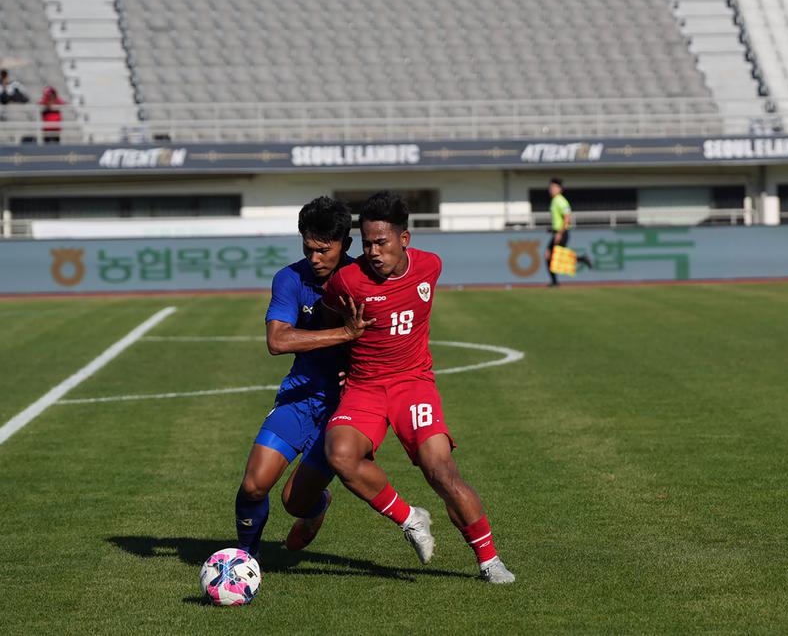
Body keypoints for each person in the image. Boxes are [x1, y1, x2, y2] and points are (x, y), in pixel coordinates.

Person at [321, 191, 515, 584]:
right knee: (341, 456)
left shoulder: (430, 267)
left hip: (413, 384)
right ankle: (410, 518)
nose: (373, 252)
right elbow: (331, 321)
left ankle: (489, 560)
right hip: (365, 387)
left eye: (382, 242)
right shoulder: (346, 280)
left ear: (403, 239)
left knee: (441, 471)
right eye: (367, 244)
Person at [234, 196, 372, 559]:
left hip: (346, 411)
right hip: (299, 397)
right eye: (308, 248)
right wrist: (344, 334)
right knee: (252, 486)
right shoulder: (290, 278)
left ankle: (317, 507)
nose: (315, 258)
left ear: (346, 244)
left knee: (294, 503)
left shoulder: (364, 283)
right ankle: (246, 559)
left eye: (324, 250)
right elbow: (277, 340)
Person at [544, 177, 592, 287]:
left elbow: (567, 218)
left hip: (561, 233)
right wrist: (552, 229)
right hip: (557, 232)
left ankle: (555, 282)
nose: (551, 189)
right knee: (552, 256)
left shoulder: (560, 201)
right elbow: (558, 219)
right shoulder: (555, 200)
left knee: (553, 256)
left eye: (553, 187)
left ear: (559, 189)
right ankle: (555, 281)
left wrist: (559, 233)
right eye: (550, 187)